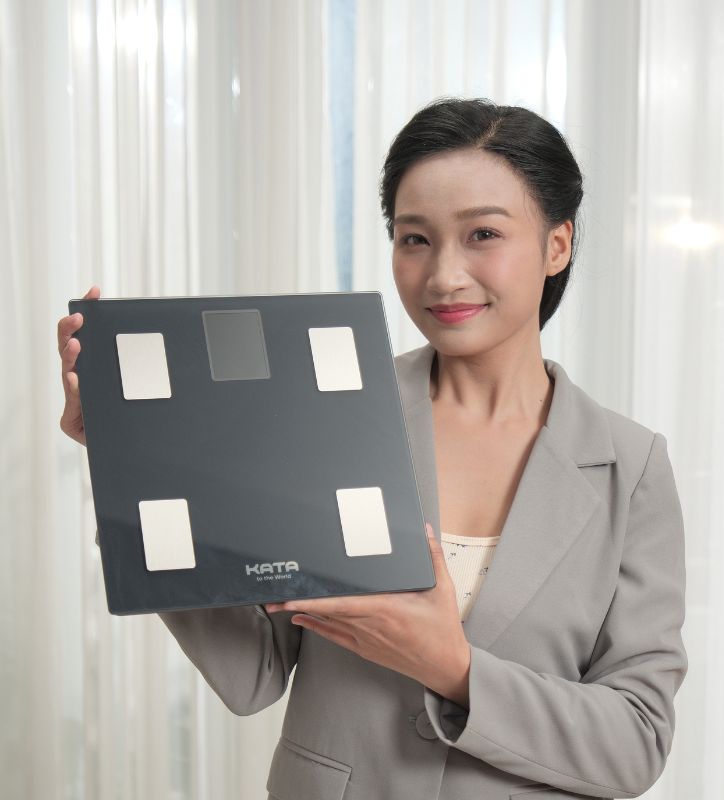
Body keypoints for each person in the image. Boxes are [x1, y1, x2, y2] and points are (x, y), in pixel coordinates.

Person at [57, 97, 688, 800]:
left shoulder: (631, 469)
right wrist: (131, 457)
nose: (443, 275)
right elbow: (251, 674)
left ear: (557, 245)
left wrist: (455, 669)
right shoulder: (320, 417)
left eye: (482, 234)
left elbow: (636, 739)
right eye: (415, 239)